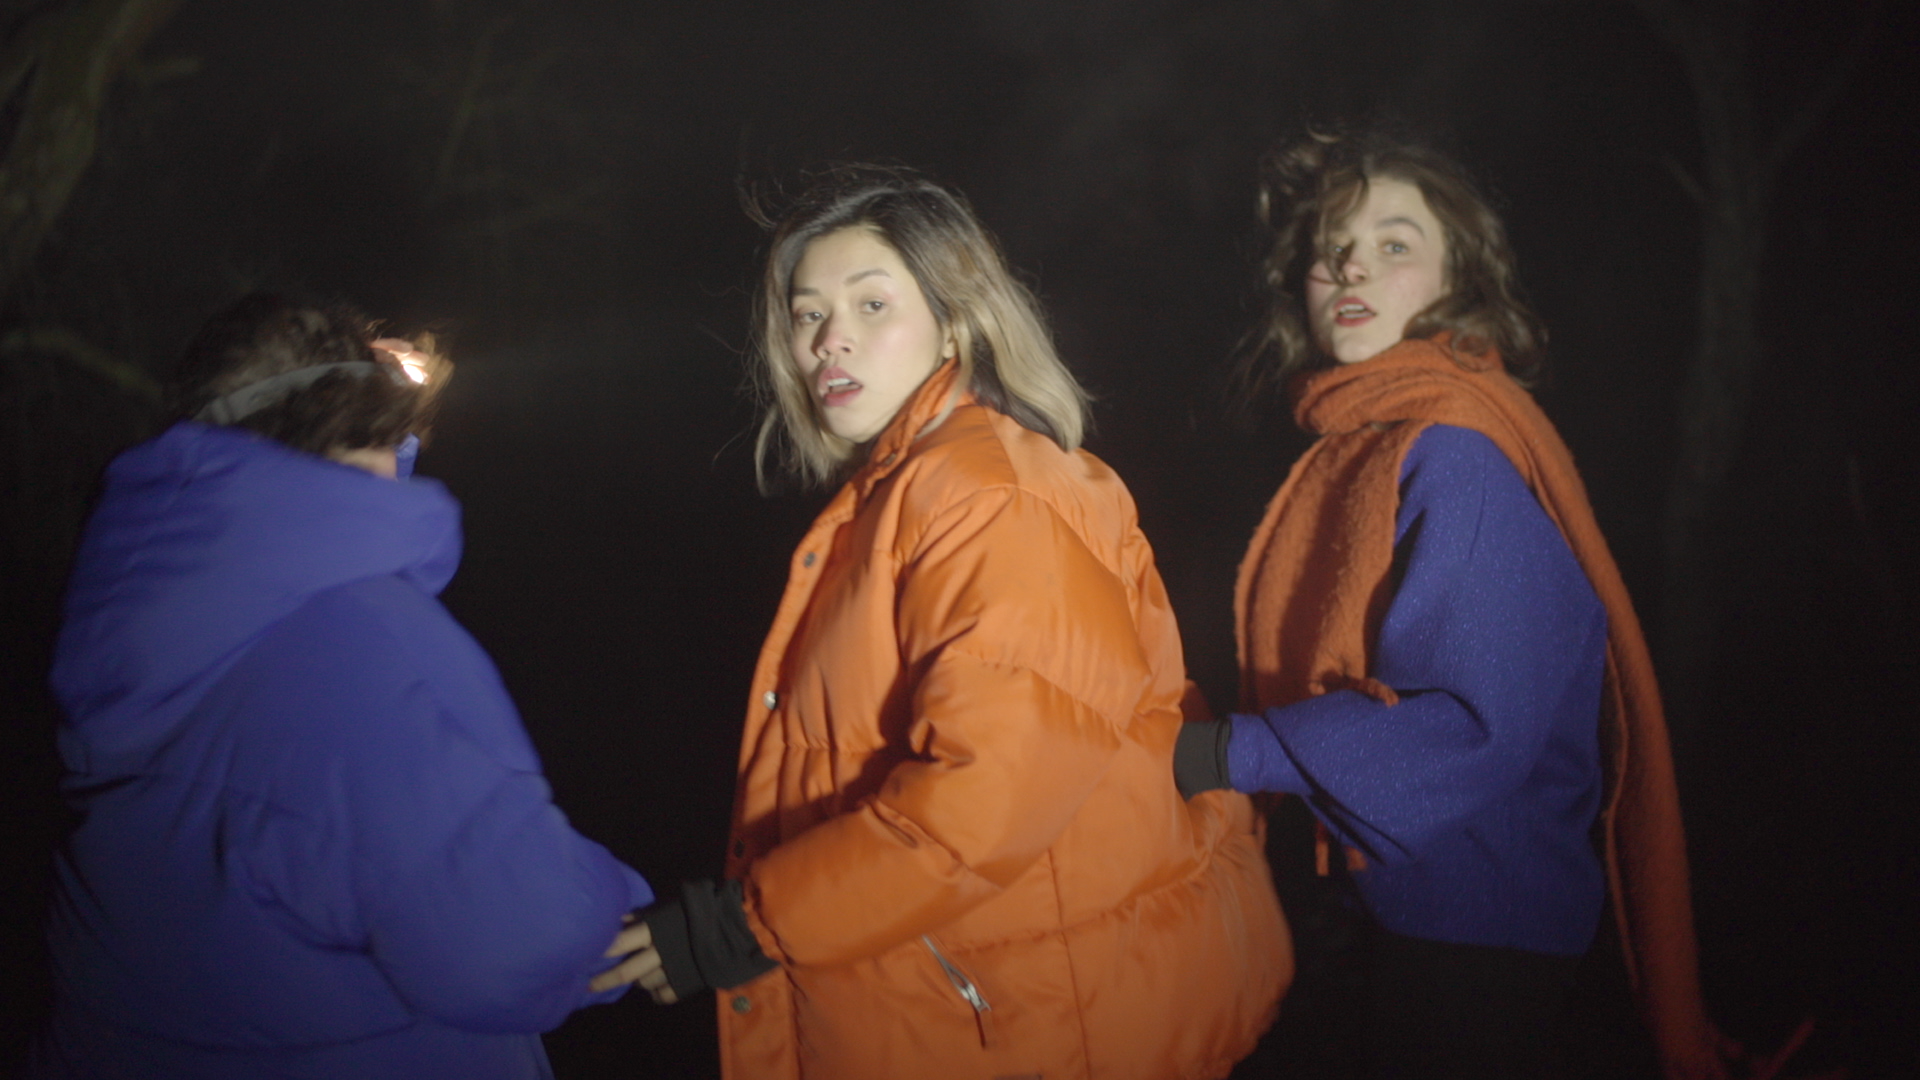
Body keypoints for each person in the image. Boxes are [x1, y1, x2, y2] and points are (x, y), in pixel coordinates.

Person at [592, 167, 1292, 1080]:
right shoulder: (908, 490)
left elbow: (988, 795)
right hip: (957, 995)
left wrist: (745, 924)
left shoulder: (991, 493)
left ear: (955, 322)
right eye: (808, 315)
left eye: (871, 304)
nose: (830, 339)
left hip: (1033, 1020)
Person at [1173, 130, 1739, 1079]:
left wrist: (1223, 753)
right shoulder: (1367, 440)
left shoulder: (1459, 452)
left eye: (1393, 243)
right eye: (1329, 246)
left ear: (1458, 280)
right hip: (1408, 912)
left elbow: (1472, 726)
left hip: (1477, 943)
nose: (1351, 265)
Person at [35, 295, 653, 1080]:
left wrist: (374, 421)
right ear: (347, 418)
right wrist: (635, 922)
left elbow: (304, 514)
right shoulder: (364, 640)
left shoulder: (142, 609)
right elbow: (508, 942)